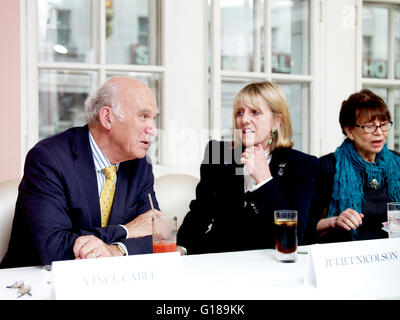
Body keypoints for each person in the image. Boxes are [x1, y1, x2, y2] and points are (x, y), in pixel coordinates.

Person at [0, 76, 162, 268]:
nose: (153, 130)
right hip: (32, 283)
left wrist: (116, 250)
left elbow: (157, 236)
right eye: (143, 116)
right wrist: (126, 230)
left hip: (104, 281)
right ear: (107, 118)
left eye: (154, 118)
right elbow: (54, 249)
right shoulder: (48, 159)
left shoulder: (140, 165)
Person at [177, 81, 319, 254]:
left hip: (268, 263)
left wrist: (264, 180)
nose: (243, 120)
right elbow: (200, 213)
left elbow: (293, 236)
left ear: (276, 121)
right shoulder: (219, 153)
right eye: (239, 112)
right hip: (218, 258)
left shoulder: (302, 165)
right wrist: (181, 249)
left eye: (255, 112)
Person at [305, 89, 400, 243]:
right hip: (346, 258)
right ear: (349, 131)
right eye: (369, 126)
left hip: (393, 255)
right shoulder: (326, 167)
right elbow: (304, 227)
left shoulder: (397, 162)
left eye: (383, 125)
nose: (379, 133)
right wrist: (334, 222)